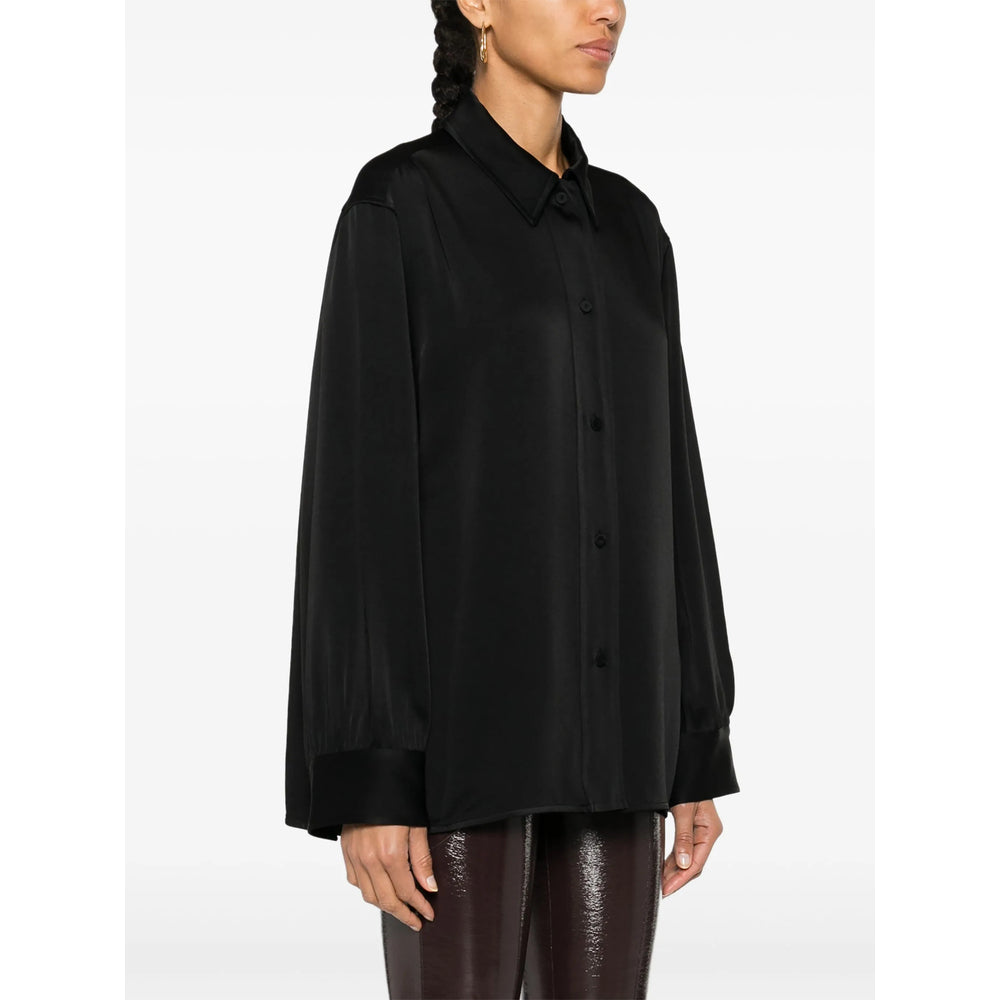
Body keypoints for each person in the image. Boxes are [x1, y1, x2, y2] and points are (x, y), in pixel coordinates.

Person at [284, 1, 740, 996]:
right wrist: (371, 775)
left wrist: (695, 743)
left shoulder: (632, 227)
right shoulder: (400, 204)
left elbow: (673, 484)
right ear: (478, 4)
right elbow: (359, 502)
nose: (608, 9)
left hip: (619, 742)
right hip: (458, 757)